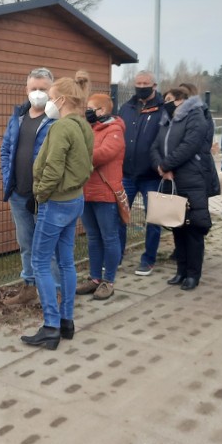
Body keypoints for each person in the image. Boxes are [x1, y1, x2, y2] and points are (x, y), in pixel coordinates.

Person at [21, 72, 94, 350]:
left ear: (61, 100)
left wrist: (39, 194)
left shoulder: (61, 127)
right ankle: (67, 322)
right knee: (66, 261)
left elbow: (52, 169)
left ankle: (50, 326)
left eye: (50, 98)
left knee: (40, 262)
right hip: (75, 200)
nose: (47, 102)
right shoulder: (83, 125)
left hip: (56, 203)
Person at [150, 87, 219, 290]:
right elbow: (154, 147)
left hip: (192, 180)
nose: (166, 103)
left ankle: (193, 274)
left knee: (194, 229)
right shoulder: (166, 120)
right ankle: (180, 271)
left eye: (170, 99)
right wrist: (160, 167)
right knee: (177, 228)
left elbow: (190, 145)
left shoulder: (195, 116)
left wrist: (166, 165)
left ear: (181, 100)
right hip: (172, 180)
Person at [0, 68, 59, 306]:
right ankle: (29, 288)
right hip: (18, 193)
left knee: (48, 246)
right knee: (26, 244)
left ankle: (54, 293)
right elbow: (6, 150)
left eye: (43, 89)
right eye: (33, 88)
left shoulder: (56, 119)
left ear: (51, 91)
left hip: (44, 196)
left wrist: (46, 187)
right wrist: (8, 179)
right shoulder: (18, 117)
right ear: (26, 89)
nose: (37, 93)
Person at [76, 93, 126, 300]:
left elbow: (103, 154)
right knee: (94, 237)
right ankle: (95, 278)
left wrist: (77, 153)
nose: (86, 111)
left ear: (102, 111)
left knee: (109, 236)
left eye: (90, 108)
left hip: (105, 192)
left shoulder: (114, 130)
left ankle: (109, 280)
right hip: (87, 191)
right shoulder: (90, 128)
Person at [118, 70, 164, 276]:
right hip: (127, 174)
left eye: (146, 83)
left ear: (154, 85)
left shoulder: (163, 110)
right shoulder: (126, 108)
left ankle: (149, 259)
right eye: (138, 83)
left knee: (153, 219)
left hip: (152, 176)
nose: (141, 86)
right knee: (119, 216)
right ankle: (116, 256)